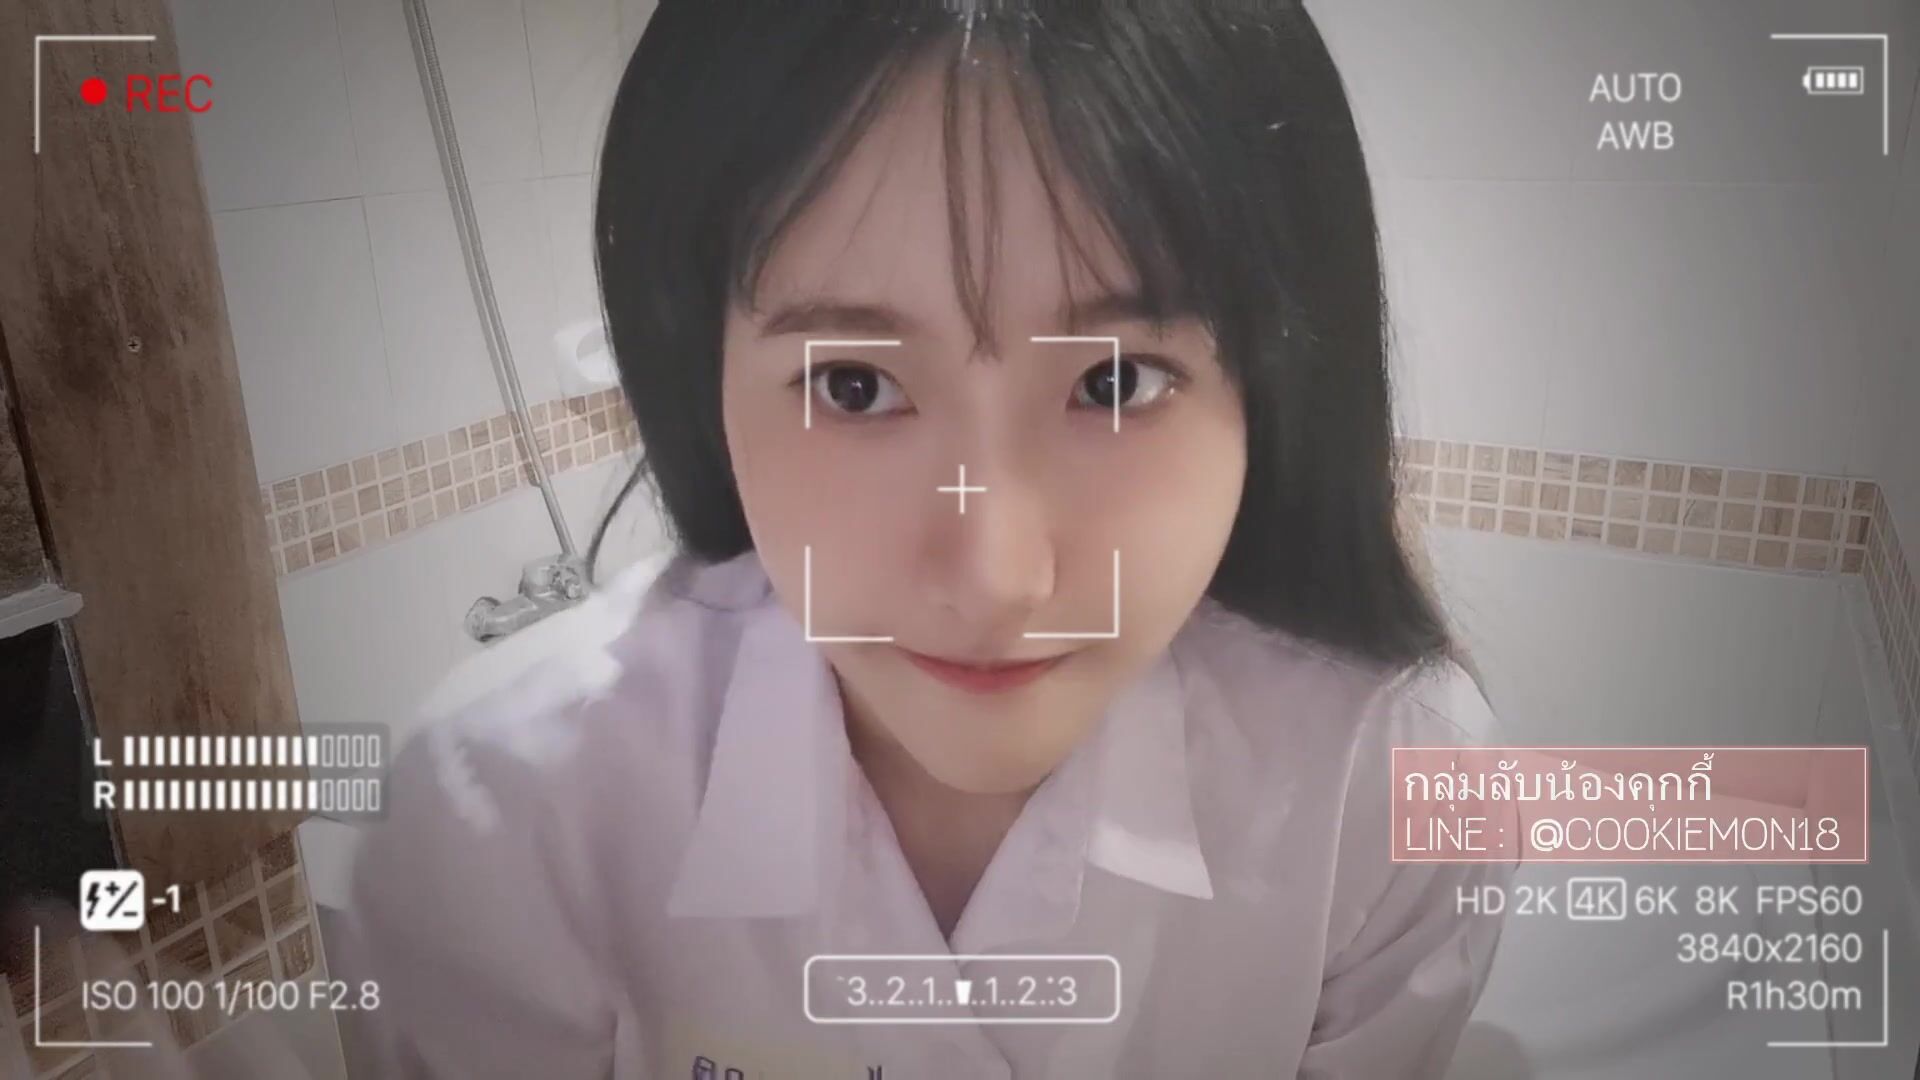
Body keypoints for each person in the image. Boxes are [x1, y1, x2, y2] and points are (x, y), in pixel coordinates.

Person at [349, 1, 1515, 1076]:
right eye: (853, 385)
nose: (995, 578)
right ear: (703, 380)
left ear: (1272, 388)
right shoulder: (505, 808)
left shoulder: (1393, 788)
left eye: (1115, 382)